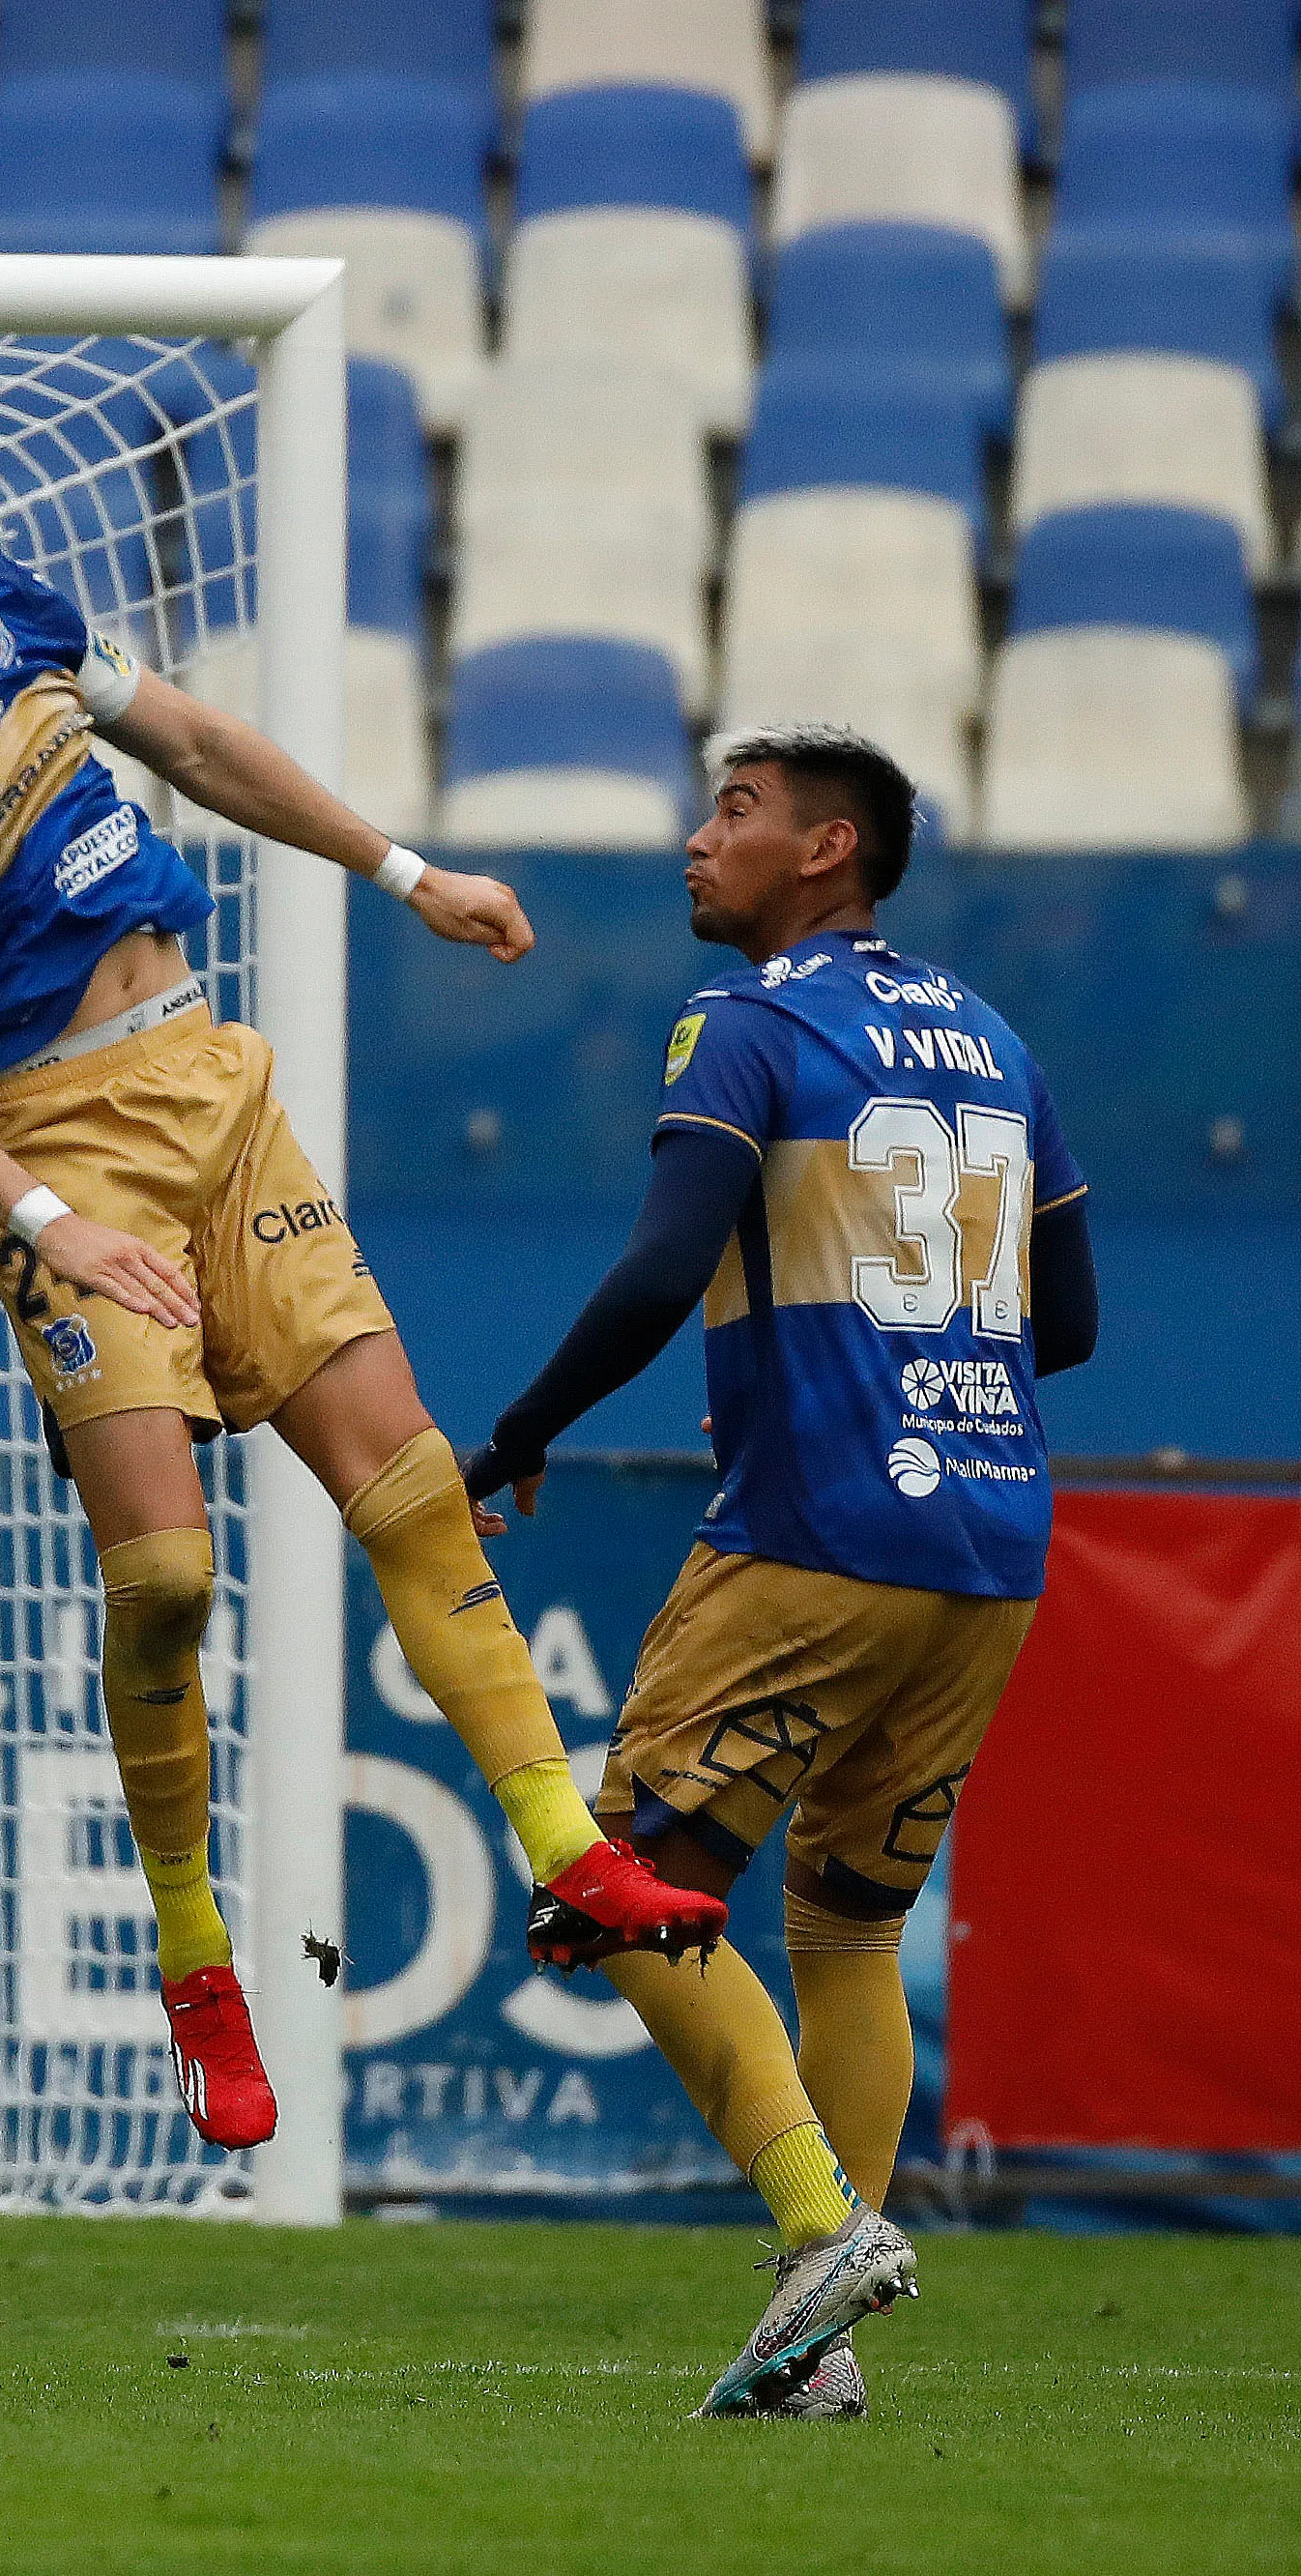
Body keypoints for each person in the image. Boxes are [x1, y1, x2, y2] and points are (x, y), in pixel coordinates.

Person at [0, 447, 733, 2154]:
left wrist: (408, 873)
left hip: (210, 1076)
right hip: (51, 1142)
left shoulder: (1, 605)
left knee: (403, 1476)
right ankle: (197, 1962)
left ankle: (571, 1852)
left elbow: (191, 741)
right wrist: (43, 1220)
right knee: (166, 1575)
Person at [462, 728, 1095, 2417]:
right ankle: (816, 2330)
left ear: (827, 852)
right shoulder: (994, 1035)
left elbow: (668, 1256)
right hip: (990, 1535)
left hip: (814, 1520)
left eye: (733, 812)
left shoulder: (749, 1019)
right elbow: (1074, 1322)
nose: (694, 839)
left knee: (617, 1885)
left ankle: (822, 2232)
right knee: (850, 1924)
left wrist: (517, 1430)